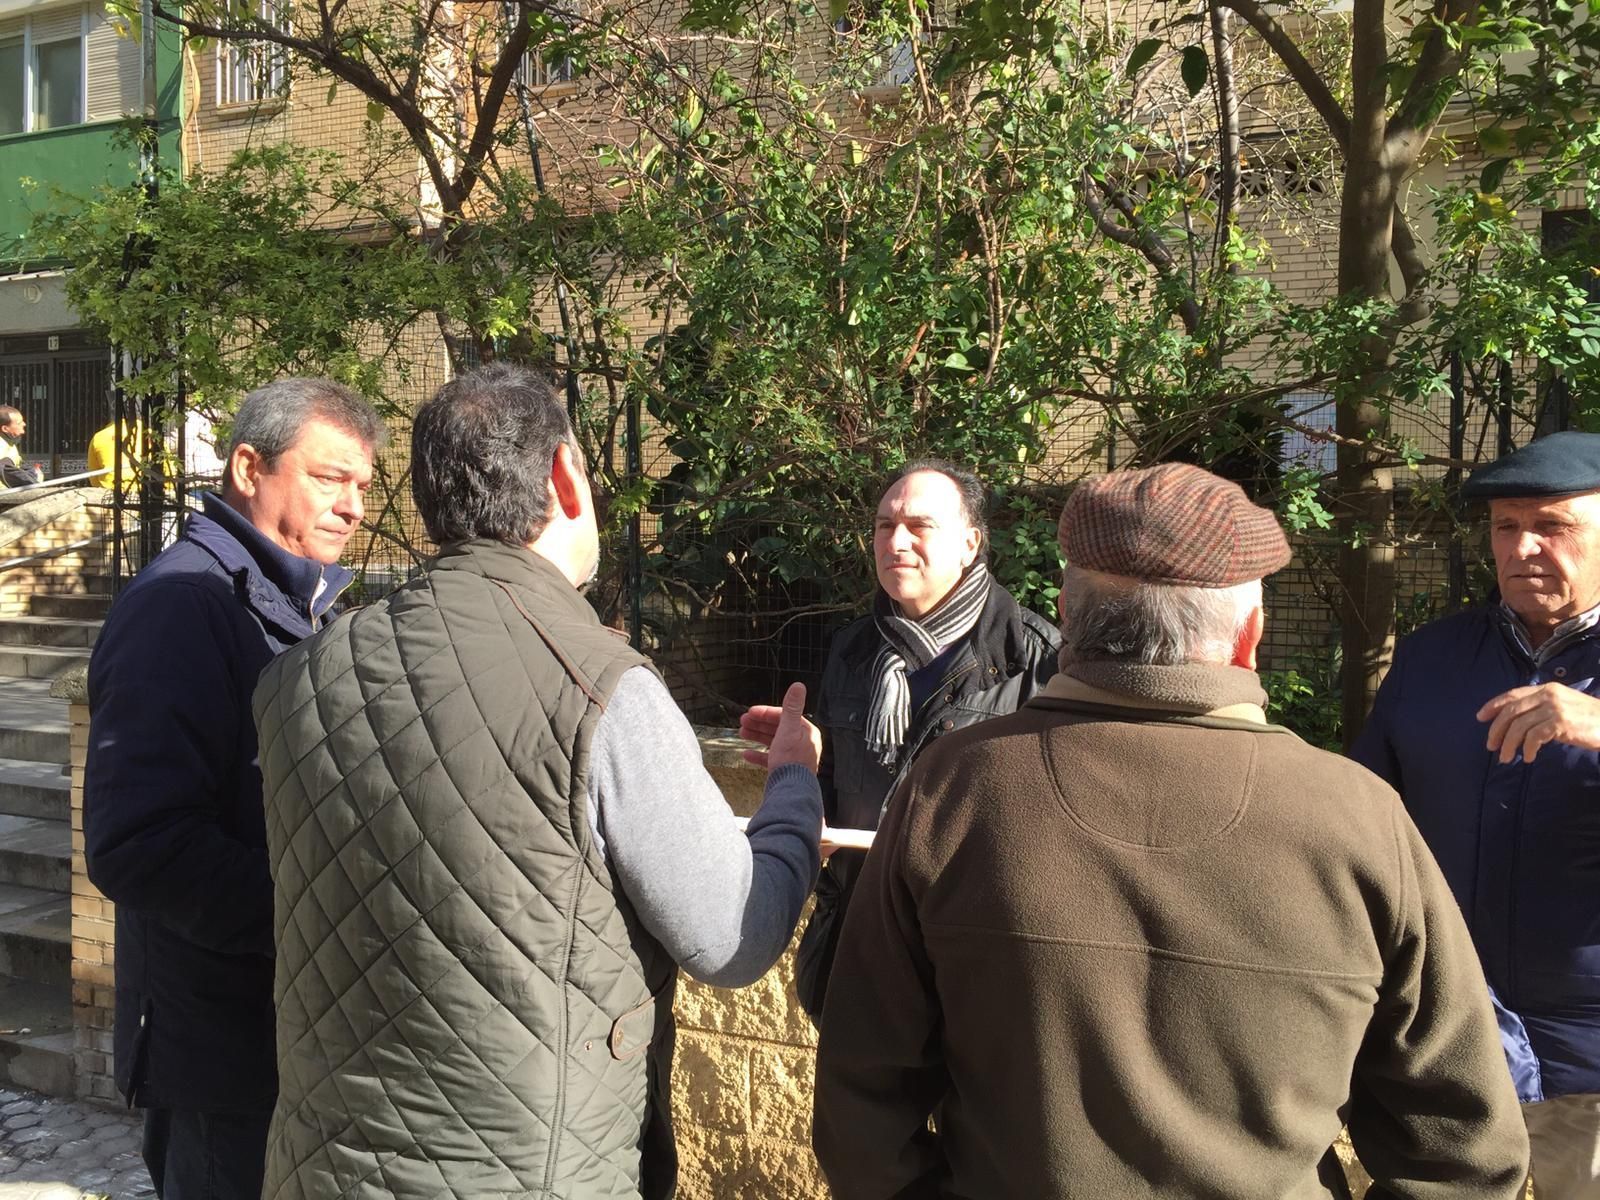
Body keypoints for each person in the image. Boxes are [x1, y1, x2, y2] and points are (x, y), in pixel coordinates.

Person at [814, 461, 1530, 1199]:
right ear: (1250, 635)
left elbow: (861, 1095)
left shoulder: (951, 789)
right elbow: (1465, 1151)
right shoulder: (1358, 818)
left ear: (1066, 613)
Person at [250, 363, 824, 1200]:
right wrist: (795, 788)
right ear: (564, 477)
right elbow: (732, 936)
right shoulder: (603, 687)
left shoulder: (299, 676)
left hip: (320, 1167)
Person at [83, 379, 383, 1200]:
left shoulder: (294, 598)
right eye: (330, 478)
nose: (353, 506)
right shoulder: (182, 604)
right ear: (249, 467)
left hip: (286, 1033)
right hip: (223, 1050)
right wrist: (314, 918)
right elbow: (137, 842)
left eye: (364, 485)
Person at [1354, 430, 1600, 1198]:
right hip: (1447, 1040)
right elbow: (1367, 820)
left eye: (1553, 526)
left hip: (1592, 1061)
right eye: (1505, 526)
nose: (1523, 547)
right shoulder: (1430, 659)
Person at [789, 460, 1058, 1021]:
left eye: (919, 526)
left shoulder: (1034, 659)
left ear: (970, 543)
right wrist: (806, 773)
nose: (896, 541)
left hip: (975, 963)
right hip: (859, 950)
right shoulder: (854, 650)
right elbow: (840, 783)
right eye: (884, 526)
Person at [0, 406, 42, 488]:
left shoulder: (9, 443)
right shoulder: (1, 445)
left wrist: (32, 472)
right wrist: (34, 482)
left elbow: (18, 465)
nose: (24, 424)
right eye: (19, 422)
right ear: (5, 428)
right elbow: (7, 471)